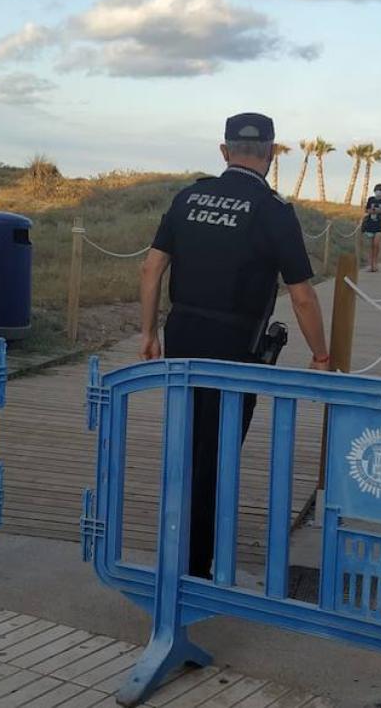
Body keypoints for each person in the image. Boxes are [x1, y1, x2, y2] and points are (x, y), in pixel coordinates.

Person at [138, 111, 330, 579]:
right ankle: (196, 569)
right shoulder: (274, 211)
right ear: (270, 153)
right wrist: (321, 355)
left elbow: (151, 268)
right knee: (218, 452)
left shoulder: (189, 197)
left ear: (224, 152)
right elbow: (302, 296)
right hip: (234, 346)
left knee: (185, 444)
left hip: (182, 334)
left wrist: (149, 333)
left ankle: (176, 550)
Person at [362, 183, 381, 272]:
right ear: (374, 191)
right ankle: (371, 265)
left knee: (376, 244)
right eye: (377, 191)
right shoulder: (370, 199)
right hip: (370, 224)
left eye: (380, 191)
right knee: (371, 246)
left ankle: (375, 263)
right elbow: (366, 210)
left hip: (379, 225)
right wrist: (371, 211)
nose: (378, 192)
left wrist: (380, 211)